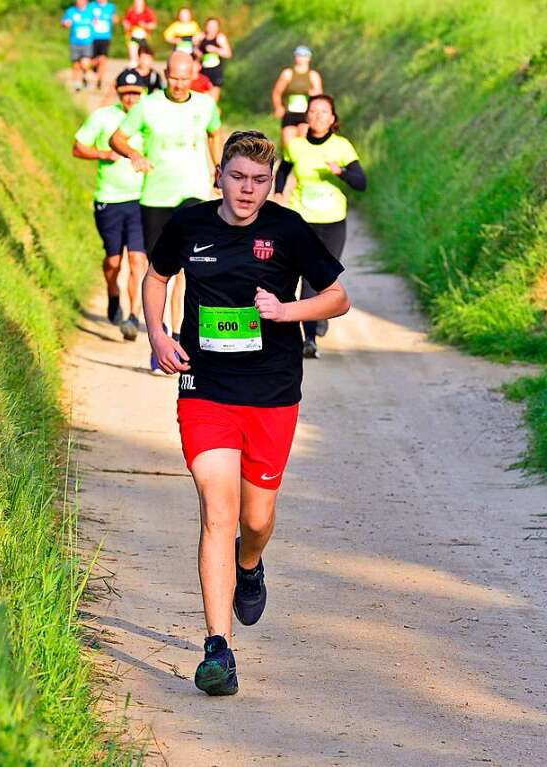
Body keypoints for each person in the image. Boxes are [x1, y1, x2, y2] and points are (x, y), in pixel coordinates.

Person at [143, 130, 350, 696]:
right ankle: (217, 648)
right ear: (220, 175)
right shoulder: (190, 224)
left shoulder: (286, 229)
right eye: (238, 177)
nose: (247, 190)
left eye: (259, 181)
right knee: (218, 509)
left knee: (254, 522)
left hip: (272, 393)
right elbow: (157, 276)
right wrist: (158, 334)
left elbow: (338, 296)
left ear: (272, 183)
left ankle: (250, 565)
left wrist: (287, 311)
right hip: (204, 387)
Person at [109, 51, 222, 355]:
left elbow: (214, 135)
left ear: (193, 74)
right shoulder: (147, 105)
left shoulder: (205, 104)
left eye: (185, 78)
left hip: (194, 193)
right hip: (156, 197)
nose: (179, 83)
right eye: (173, 77)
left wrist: (219, 170)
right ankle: (157, 339)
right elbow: (116, 138)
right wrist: (134, 155)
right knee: (159, 271)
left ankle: (179, 336)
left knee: (187, 268)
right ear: (166, 74)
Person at [277, 94, 366, 357]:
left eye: (324, 112)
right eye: (313, 111)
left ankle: (319, 317)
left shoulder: (342, 147)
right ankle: (310, 338)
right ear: (306, 116)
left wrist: (341, 172)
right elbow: (284, 169)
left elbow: (361, 182)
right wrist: (279, 193)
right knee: (308, 278)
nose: (318, 116)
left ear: (333, 118)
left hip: (333, 221)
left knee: (325, 276)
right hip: (302, 220)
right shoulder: (296, 145)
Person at [73, 70, 149, 340]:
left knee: (138, 260)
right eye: (126, 92)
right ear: (118, 92)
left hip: (142, 199)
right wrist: (103, 153)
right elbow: (78, 147)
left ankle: (133, 316)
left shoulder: (148, 116)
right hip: (109, 199)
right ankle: (113, 292)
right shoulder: (103, 117)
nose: (131, 98)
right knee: (114, 260)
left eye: (136, 93)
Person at [271, 45, 323, 156]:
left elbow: (319, 97)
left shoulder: (313, 75)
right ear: (295, 57)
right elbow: (277, 92)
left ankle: (301, 170)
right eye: (298, 55)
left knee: (304, 144)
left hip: (306, 114)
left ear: (309, 58)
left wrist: (314, 94)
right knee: (288, 146)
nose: (301, 58)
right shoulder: (288, 73)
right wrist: (278, 107)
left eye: (304, 55)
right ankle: (288, 168)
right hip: (289, 113)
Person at [194, 17, 232, 102]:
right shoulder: (201, 37)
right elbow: (195, 51)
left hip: (215, 71)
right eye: (209, 26)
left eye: (214, 26)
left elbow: (228, 54)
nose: (211, 28)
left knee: (213, 99)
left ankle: (213, 113)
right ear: (206, 26)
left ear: (218, 27)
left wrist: (215, 50)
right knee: (202, 98)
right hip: (203, 71)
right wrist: (197, 51)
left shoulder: (220, 38)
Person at [63, 0, 96, 91]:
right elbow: (64, 22)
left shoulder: (91, 10)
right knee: (76, 64)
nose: (79, 1)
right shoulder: (70, 11)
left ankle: (84, 76)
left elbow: (97, 21)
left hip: (87, 42)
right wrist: (66, 24)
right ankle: (77, 83)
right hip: (75, 42)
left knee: (85, 64)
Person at [90, 0, 118, 90]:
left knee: (103, 59)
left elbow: (115, 20)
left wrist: (115, 19)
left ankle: (99, 80)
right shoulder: (91, 5)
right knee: (92, 61)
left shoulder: (111, 7)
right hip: (92, 37)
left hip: (105, 38)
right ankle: (93, 68)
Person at [123, 0, 158, 66]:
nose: (137, 4)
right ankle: (133, 71)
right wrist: (127, 26)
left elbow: (154, 25)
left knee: (144, 56)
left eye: (139, 2)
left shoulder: (148, 12)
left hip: (144, 38)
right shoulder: (131, 11)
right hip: (132, 37)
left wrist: (145, 25)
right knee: (133, 58)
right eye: (136, 2)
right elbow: (125, 22)